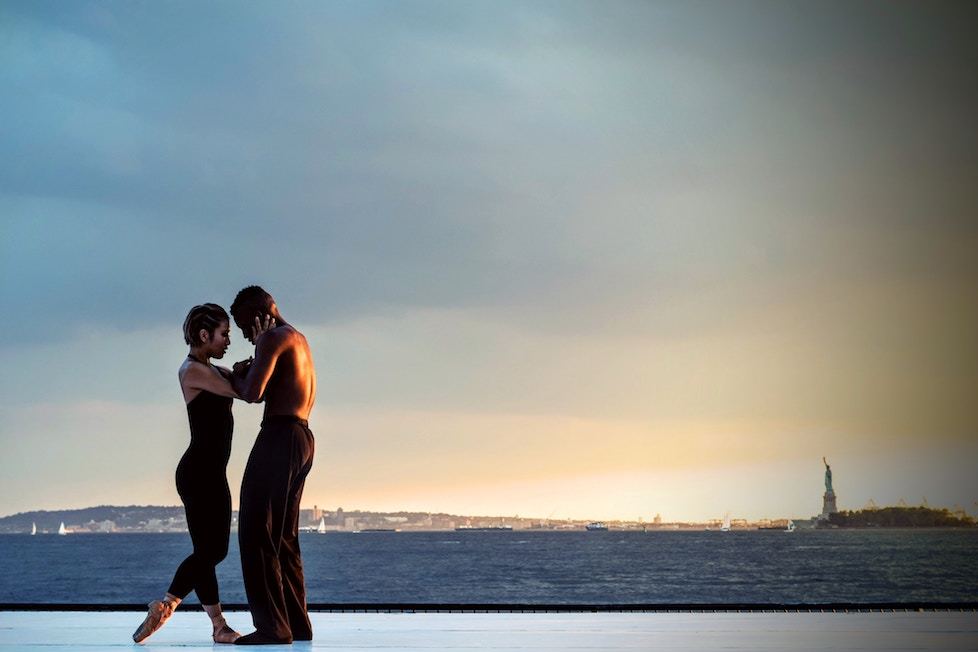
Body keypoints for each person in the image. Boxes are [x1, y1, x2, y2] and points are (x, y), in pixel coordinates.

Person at [132, 304, 272, 645]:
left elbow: (246, 379)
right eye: (223, 334)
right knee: (213, 551)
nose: (227, 340)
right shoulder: (192, 371)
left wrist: (250, 361)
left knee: (206, 551)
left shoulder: (213, 369)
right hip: (198, 474)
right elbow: (247, 391)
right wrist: (262, 346)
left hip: (211, 473)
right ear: (204, 335)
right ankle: (166, 604)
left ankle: (218, 626)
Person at [228, 286, 316, 645]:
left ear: (257, 318)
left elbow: (253, 393)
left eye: (245, 328)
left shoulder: (271, 338)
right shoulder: (298, 338)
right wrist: (253, 362)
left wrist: (237, 372)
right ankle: (297, 624)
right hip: (303, 438)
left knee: (255, 530)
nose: (247, 337)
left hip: (279, 436)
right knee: (284, 537)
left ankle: (272, 627)